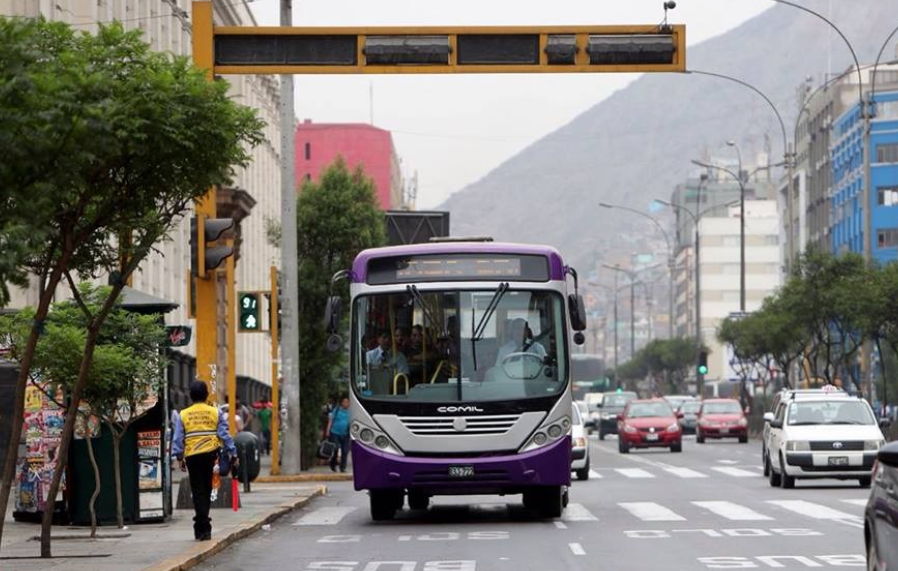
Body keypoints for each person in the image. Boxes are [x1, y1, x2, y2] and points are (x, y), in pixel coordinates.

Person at [172, 381, 238, 541]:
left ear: (190, 395)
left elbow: (178, 438)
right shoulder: (215, 413)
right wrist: (233, 453)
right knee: (207, 490)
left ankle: (200, 526)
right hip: (210, 456)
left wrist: (180, 457)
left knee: (198, 491)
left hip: (192, 457)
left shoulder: (184, 414)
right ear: (206, 394)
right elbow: (224, 435)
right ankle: (204, 527)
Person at [325, 397, 351, 472]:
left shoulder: (350, 412)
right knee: (335, 449)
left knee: (345, 451)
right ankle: (333, 464)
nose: (346, 403)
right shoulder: (336, 410)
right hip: (335, 432)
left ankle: (343, 468)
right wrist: (328, 431)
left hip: (345, 434)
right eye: (344, 402)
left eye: (347, 402)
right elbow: (331, 421)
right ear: (342, 403)